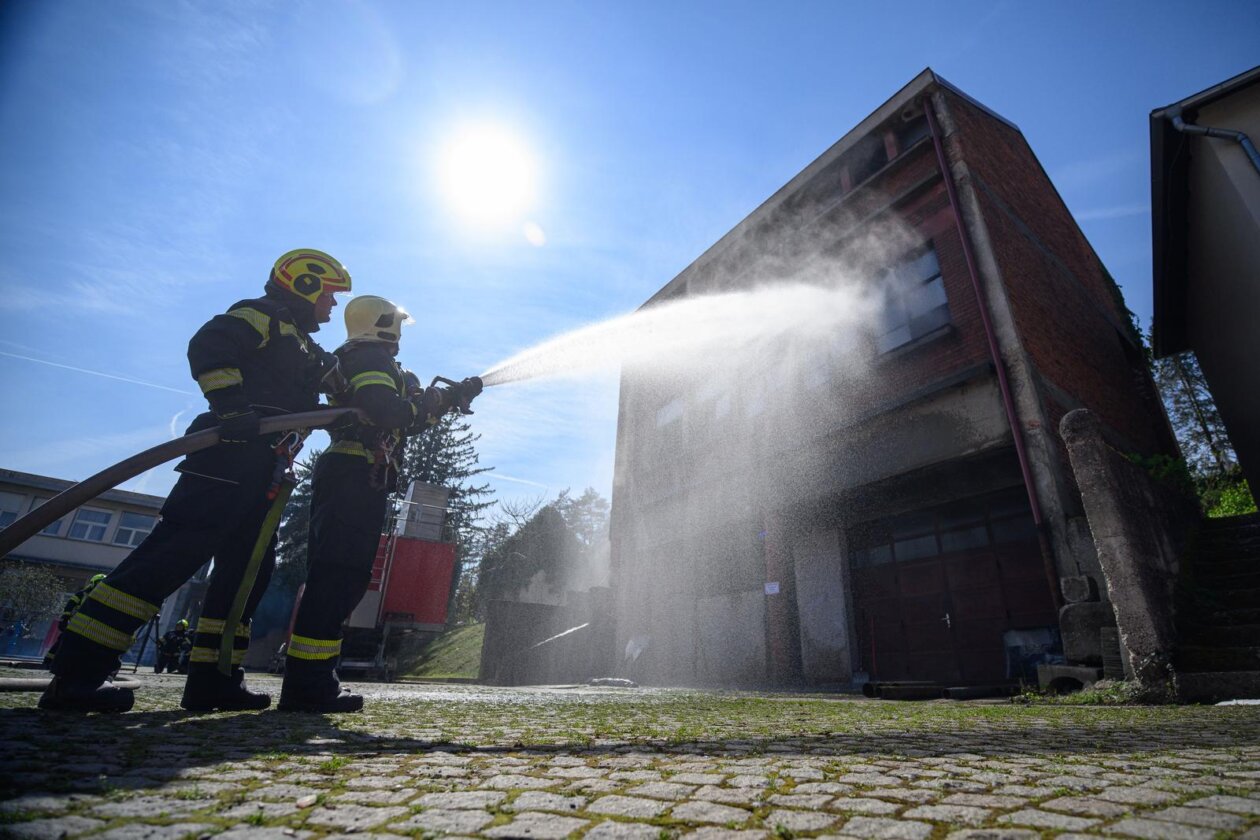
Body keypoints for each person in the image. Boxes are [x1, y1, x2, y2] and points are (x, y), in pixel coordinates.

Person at [39, 249, 351, 713]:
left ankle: (214, 680)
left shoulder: (301, 343)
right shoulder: (260, 315)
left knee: (246, 577)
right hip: (227, 458)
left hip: (264, 466)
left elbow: (332, 382)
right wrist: (231, 408)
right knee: (170, 558)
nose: (333, 304)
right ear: (304, 285)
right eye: (329, 294)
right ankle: (77, 674)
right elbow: (210, 345)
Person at [277, 295, 481, 712]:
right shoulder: (370, 359)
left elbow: (407, 421)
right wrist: (431, 401)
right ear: (382, 324)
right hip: (354, 474)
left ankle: (312, 680)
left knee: (343, 578)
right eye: (396, 324)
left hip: (358, 476)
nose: (400, 332)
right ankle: (308, 686)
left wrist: (447, 400)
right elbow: (386, 410)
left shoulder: (366, 359)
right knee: (337, 577)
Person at [42, 573, 106, 668]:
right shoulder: (81, 594)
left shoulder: (103, 598)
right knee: (63, 642)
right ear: (93, 583)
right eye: (98, 583)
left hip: (90, 628)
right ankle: (48, 661)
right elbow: (70, 606)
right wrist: (65, 619)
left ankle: (72, 665)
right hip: (74, 625)